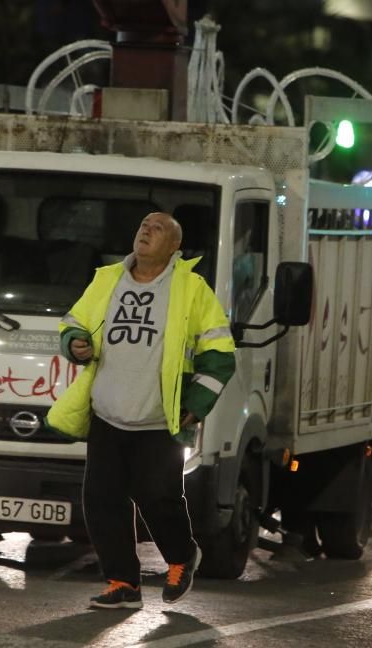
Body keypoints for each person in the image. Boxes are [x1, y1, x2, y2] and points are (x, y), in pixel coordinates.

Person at [46, 211, 236, 609]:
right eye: (144, 225)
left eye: (158, 228)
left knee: (157, 497)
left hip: (158, 419)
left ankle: (182, 556)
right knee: (101, 500)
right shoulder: (106, 278)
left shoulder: (192, 289)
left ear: (174, 248)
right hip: (108, 413)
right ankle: (122, 583)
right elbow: (73, 323)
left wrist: (198, 405)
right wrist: (76, 342)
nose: (146, 230)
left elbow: (219, 356)